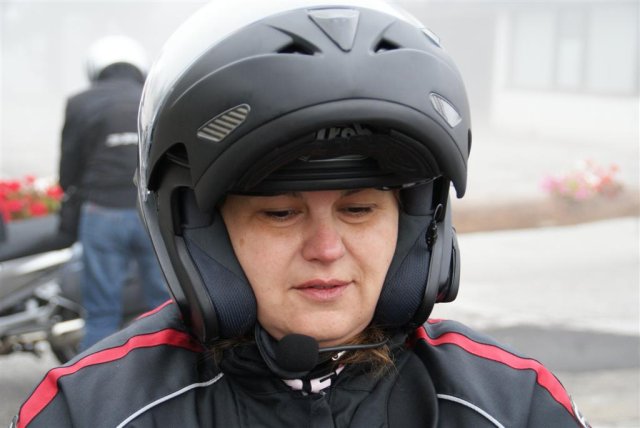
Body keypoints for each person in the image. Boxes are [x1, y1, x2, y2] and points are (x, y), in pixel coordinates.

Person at [14, 2, 590, 427]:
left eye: (359, 209)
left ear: (418, 225)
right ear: (205, 235)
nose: (326, 248)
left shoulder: (510, 404)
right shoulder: (90, 410)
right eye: (280, 213)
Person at [57, 35, 169, 350]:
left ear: (96, 67)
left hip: (101, 213)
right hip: (151, 215)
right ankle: (174, 373)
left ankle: (96, 379)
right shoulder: (154, 98)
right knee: (168, 308)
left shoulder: (79, 102)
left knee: (101, 314)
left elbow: (68, 169)